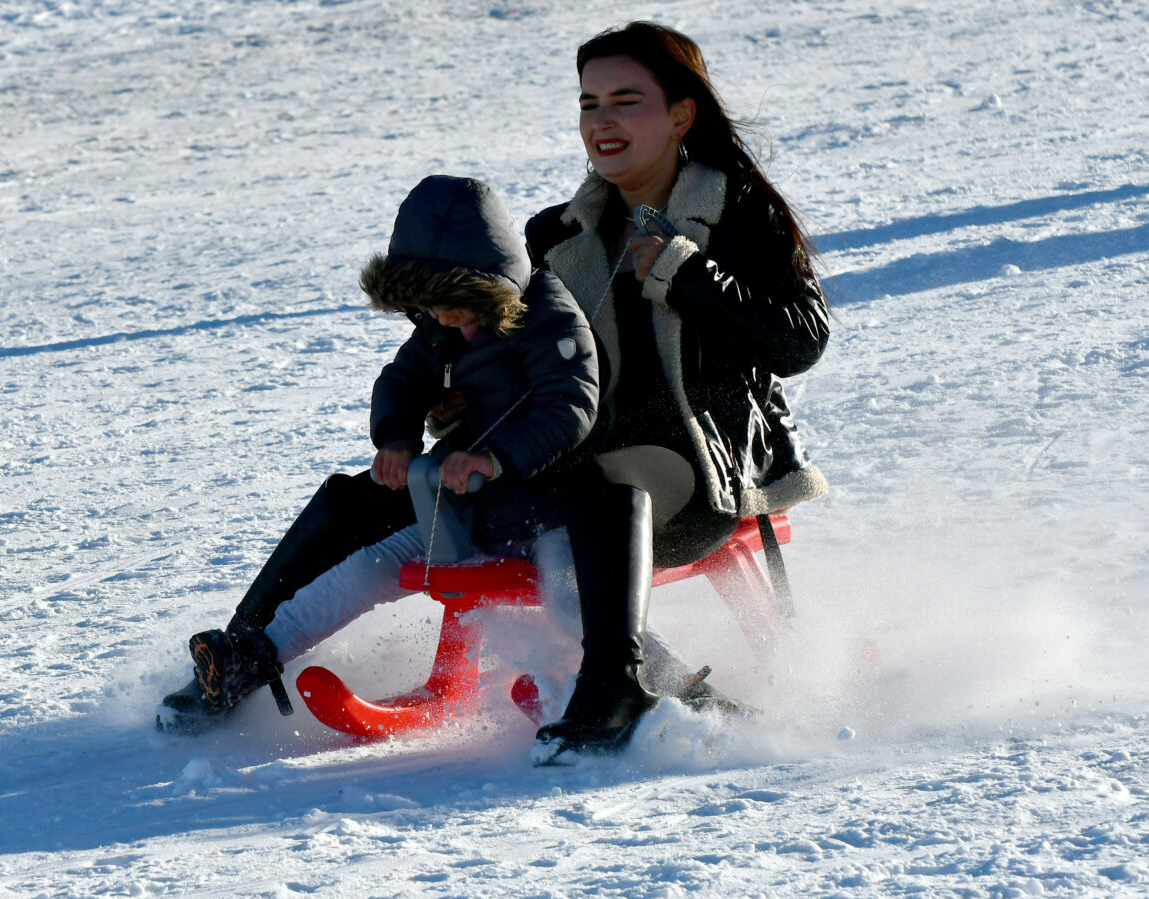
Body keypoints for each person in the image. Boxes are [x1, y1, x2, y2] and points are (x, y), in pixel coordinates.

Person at [156, 175, 599, 732]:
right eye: (429, 306)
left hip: (556, 510)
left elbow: (570, 406)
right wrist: (397, 438)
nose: (439, 319)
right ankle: (253, 655)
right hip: (469, 510)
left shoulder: (548, 317)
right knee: (365, 570)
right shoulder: (443, 325)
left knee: (572, 603)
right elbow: (402, 379)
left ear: (490, 286)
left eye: (453, 306)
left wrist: (495, 458)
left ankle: (640, 682)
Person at [524, 22, 832, 761]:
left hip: (706, 466)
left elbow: (801, 338)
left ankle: (616, 684)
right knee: (512, 530)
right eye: (589, 103)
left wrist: (686, 272)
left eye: (626, 101)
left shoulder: (736, 213)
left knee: (596, 493)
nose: (602, 122)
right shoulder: (558, 233)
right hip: (592, 470)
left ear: (680, 116)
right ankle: (684, 696)